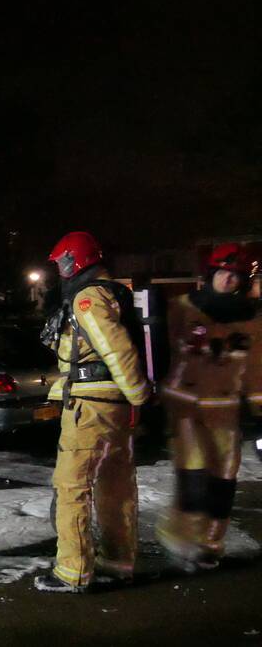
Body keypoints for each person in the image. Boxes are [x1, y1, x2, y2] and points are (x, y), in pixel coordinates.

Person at [35, 231, 151, 592]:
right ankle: (118, 561)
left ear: (76, 260)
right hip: (114, 405)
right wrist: (133, 401)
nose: (60, 271)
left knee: (72, 486)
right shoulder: (113, 292)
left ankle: (73, 570)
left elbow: (115, 349)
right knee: (115, 486)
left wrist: (139, 396)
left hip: (91, 406)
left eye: (62, 263)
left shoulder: (87, 298)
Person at [156, 243, 261, 569]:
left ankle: (210, 545)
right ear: (211, 273)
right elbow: (161, 354)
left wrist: (259, 414)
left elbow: (257, 371)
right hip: (185, 409)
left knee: (223, 482)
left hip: (225, 409)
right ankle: (180, 538)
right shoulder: (181, 309)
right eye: (224, 273)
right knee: (194, 477)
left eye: (236, 275)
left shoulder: (253, 319)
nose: (229, 280)